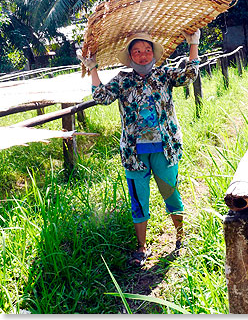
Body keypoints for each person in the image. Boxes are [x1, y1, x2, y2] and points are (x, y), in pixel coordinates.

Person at [77, 30, 200, 267]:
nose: (143, 56)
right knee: (139, 199)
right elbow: (101, 97)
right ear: (130, 57)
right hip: (134, 153)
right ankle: (142, 247)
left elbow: (189, 75)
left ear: (153, 54)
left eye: (146, 51)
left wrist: (192, 44)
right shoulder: (123, 80)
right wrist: (92, 68)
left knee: (170, 192)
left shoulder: (164, 75)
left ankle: (180, 239)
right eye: (137, 52)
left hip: (165, 149)